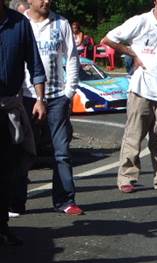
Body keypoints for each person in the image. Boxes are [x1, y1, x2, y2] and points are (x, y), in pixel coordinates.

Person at [101, 0, 157, 193]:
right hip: (141, 89)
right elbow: (108, 40)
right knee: (134, 135)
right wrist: (132, 54)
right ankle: (126, 177)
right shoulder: (140, 21)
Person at [16, 0, 82, 216]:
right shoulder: (20, 23)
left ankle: (65, 200)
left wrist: (68, 93)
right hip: (26, 97)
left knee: (61, 153)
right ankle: (16, 203)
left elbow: (72, 57)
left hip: (56, 98)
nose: (46, 1)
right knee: (23, 153)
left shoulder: (61, 23)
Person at [0, 1, 46, 244]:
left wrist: (40, 99)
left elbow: (35, 64)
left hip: (9, 107)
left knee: (8, 169)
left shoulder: (19, 24)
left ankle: (3, 225)